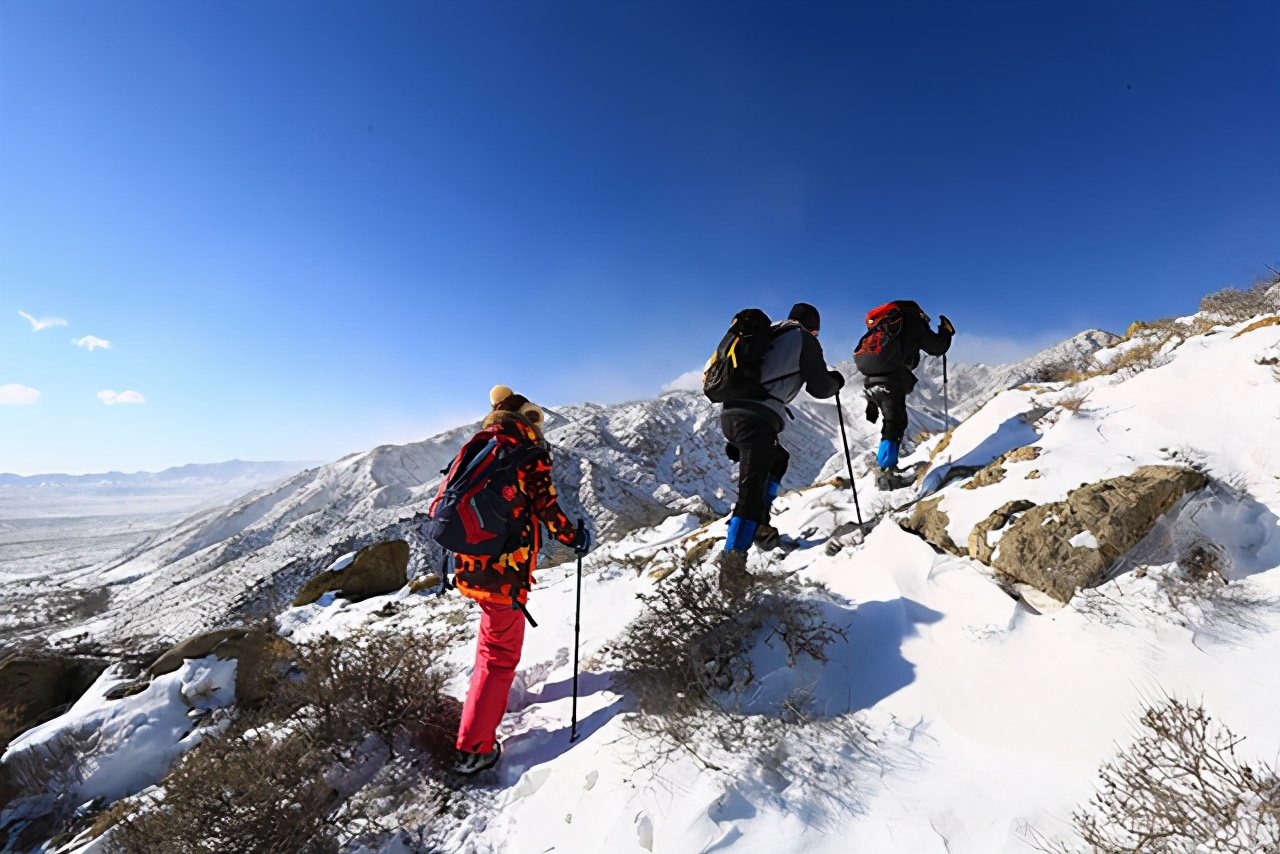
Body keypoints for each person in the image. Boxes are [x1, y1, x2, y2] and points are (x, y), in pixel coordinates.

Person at [449, 385, 590, 775]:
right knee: (499, 657)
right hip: (503, 575)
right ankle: (474, 748)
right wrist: (573, 537)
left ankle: (475, 724)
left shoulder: (480, 447)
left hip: (471, 565)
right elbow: (546, 506)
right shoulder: (524, 452)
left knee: (488, 650)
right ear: (527, 419)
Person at [715, 303, 844, 597]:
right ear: (812, 325)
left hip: (732, 416)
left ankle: (761, 525)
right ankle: (732, 571)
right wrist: (837, 380)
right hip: (756, 420)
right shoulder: (804, 338)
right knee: (749, 493)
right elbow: (820, 387)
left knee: (779, 460)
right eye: (818, 330)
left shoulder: (770, 333)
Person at [856, 301, 954, 489]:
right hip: (891, 378)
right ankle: (888, 473)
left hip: (871, 380)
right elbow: (936, 347)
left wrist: (871, 400)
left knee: (891, 421)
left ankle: (886, 467)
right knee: (896, 421)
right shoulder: (912, 321)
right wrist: (946, 332)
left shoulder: (883, 326)